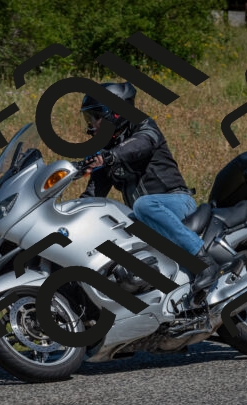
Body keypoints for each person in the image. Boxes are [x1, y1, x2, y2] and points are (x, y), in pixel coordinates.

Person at [79, 81, 219, 306]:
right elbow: (93, 194)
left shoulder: (143, 127)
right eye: (89, 118)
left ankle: (206, 264)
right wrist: (73, 214)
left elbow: (140, 145)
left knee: (143, 205)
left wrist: (109, 157)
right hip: (146, 218)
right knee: (111, 227)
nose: (92, 124)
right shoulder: (106, 151)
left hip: (175, 202)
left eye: (96, 116)